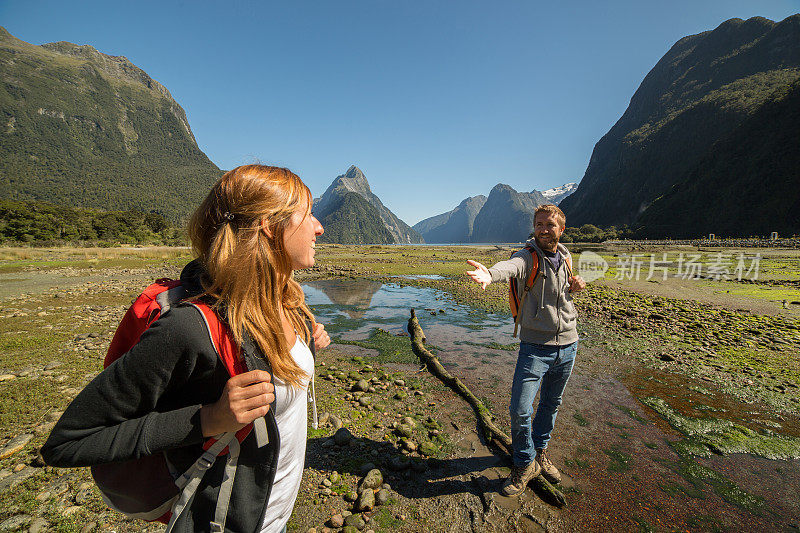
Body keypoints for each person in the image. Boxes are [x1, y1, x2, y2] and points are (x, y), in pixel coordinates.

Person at [42, 164, 330, 532]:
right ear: (269, 226)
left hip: (274, 516)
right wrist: (210, 419)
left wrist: (307, 344)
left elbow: (279, 382)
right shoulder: (189, 328)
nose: (319, 227)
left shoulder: (289, 304)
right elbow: (68, 442)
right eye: (307, 214)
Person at [466, 204, 586, 497]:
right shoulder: (526, 256)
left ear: (561, 229)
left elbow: (565, 294)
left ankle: (540, 453)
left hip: (569, 344)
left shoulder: (567, 256)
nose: (544, 229)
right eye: (539, 224)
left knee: (550, 405)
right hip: (534, 347)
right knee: (520, 409)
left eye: (550, 225)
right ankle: (524, 462)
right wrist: (489, 275)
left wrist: (577, 285)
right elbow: (511, 267)